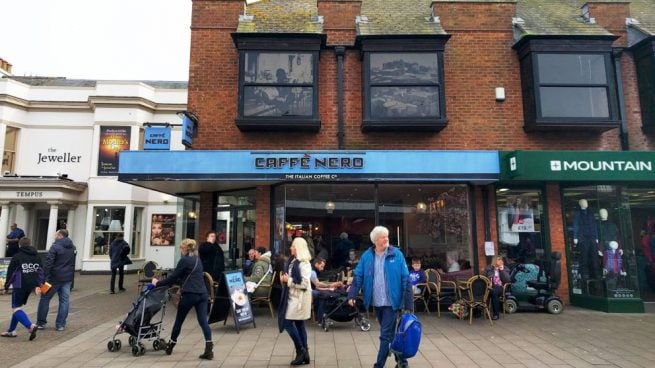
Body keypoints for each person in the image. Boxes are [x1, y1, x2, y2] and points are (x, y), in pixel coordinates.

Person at [348, 226, 413, 368]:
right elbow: (358, 276)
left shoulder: (397, 255)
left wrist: (408, 304)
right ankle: (402, 361)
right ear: (376, 240)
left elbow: (405, 279)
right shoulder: (367, 256)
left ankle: (379, 365)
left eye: (387, 236)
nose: (387, 239)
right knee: (391, 334)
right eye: (384, 237)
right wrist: (352, 294)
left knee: (385, 335)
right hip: (376, 302)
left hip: (392, 303)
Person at [152, 238, 214, 360]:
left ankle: (171, 345)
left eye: (181, 248)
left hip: (190, 294)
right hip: (202, 294)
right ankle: (209, 349)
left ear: (185, 249)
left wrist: (157, 283)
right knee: (203, 321)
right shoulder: (198, 260)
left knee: (179, 320)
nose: (181, 251)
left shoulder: (184, 260)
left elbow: (173, 278)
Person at [278, 237, 312, 366]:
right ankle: (305, 354)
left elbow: (304, 284)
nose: (291, 248)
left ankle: (300, 350)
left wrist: (289, 281)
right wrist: (285, 279)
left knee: (287, 323)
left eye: (293, 246)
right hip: (293, 296)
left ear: (298, 248)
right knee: (299, 324)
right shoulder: (293, 261)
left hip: (300, 299)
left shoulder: (304, 264)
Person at [1, 238, 43, 340]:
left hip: (19, 284)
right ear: (30, 244)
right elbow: (41, 271)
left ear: (20, 245)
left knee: (16, 308)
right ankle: (11, 330)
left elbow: (11, 273)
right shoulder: (37, 256)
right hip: (30, 285)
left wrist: (6, 286)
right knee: (18, 307)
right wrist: (39, 285)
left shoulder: (17, 257)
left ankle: (30, 326)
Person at [37, 229, 76, 331]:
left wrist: (43, 279)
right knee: (64, 301)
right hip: (67, 278)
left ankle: (41, 323)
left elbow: (48, 263)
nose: (54, 236)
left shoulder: (55, 247)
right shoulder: (72, 247)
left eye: (56, 234)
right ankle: (60, 324)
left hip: (52, 278)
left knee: (44, 298)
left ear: (60, 235)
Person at [310, 257, 342, 324]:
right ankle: (320, 319)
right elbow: (318, 285)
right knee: (322, 295)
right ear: (316, 264)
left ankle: (320, 318)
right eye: (321, 266)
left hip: (311, 289)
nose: (322, 269)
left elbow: (317, 285)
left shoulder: (313, 269)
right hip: (308, 291)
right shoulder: (312, 272)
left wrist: (329, 286)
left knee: (323, 294)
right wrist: (330, 286)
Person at [573, 199, 599, 279]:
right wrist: (575, 237)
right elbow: (576, 225)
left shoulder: (591, 213)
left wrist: (596, 237)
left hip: (592, 237)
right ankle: (585, 274)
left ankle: (595, 273)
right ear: (580, 204)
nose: (586, 203)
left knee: (594, 256)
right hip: (583, 237)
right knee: (584, 256)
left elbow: (594, 225)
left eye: (586, 202)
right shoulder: (578, 214)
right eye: (584, 202)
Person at [483, 256, 510, 320]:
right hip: (489, 287)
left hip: (500, 287)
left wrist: (502, 270)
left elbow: (507, 280)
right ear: (494, 261)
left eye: (501, 260)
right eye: (499, 260)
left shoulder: (505, 269)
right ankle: (478, 312)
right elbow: (484, 277)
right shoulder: (489, 268)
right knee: (491, 292)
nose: (501, 261)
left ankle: (496, 314)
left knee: (493, 292)